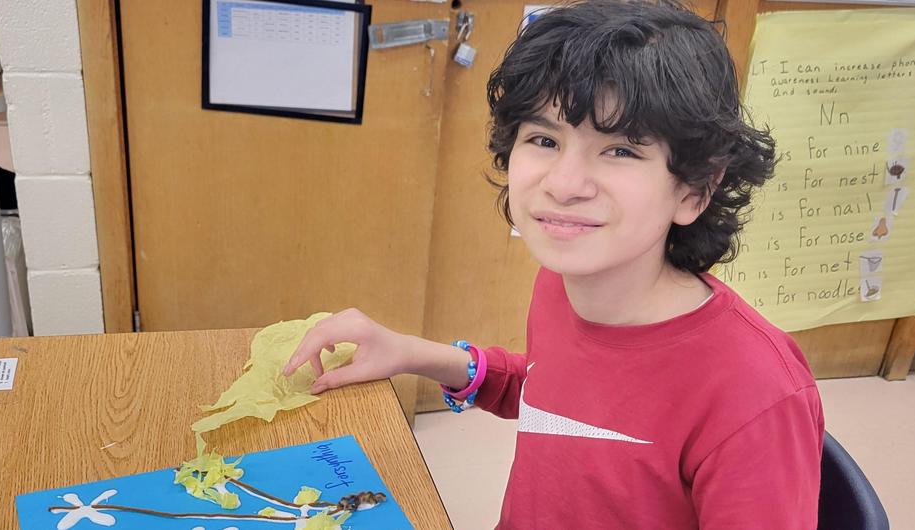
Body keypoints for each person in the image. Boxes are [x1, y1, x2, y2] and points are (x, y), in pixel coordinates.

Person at [283, 1, 824, 528]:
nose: (564, 185)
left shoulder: (753, 393)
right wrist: (411, 353)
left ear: (694, 190)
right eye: (544, 139)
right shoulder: (563, 284)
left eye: (621, 150)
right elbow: (557, 397)